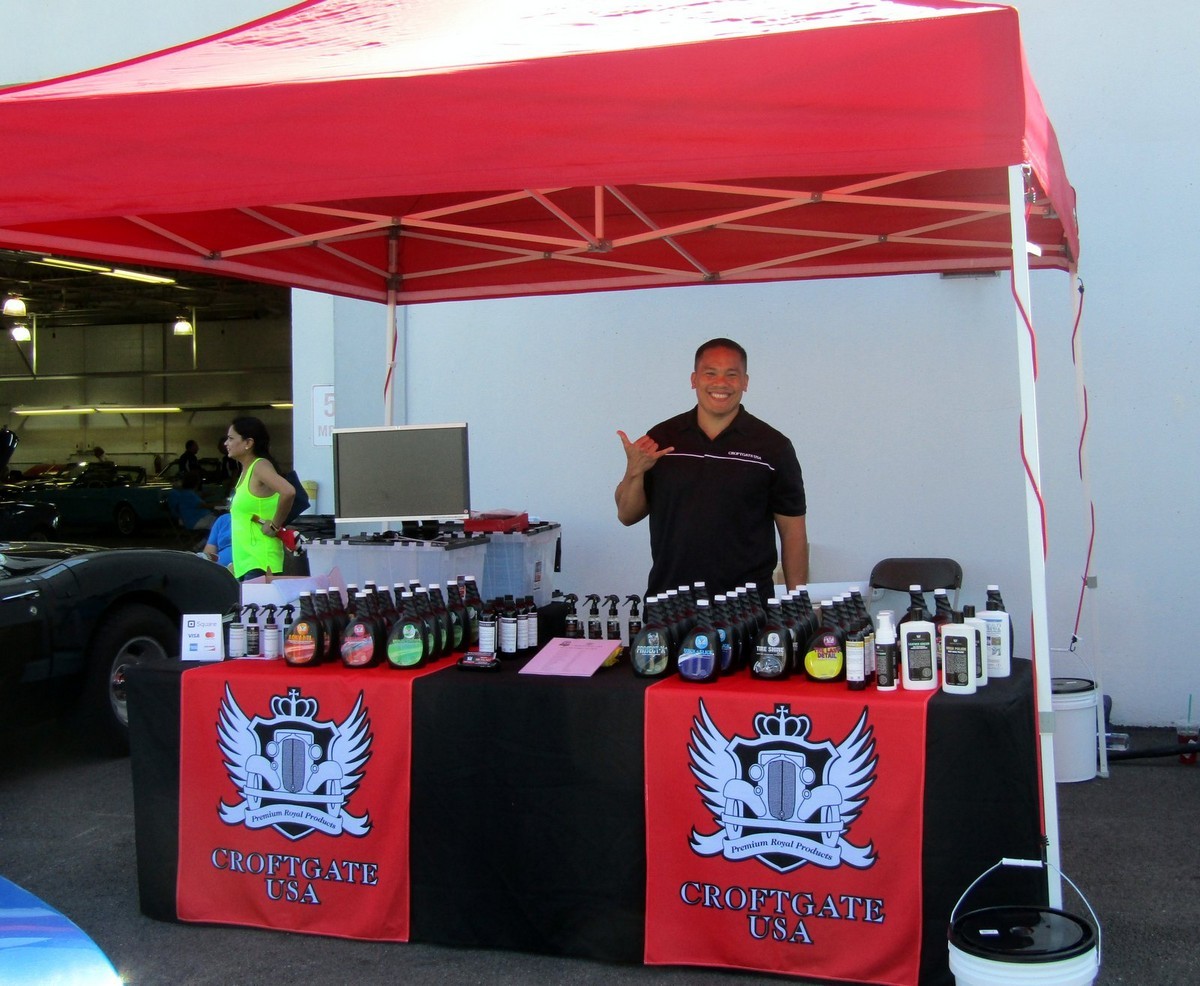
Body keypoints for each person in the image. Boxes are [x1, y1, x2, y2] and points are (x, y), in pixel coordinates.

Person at [615, 338, 808, 602]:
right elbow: (626, 515)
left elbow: (792, 531)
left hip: (747, 607)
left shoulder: (773, 447)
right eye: (710, 373)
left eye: (732, 374)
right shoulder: (662, 438)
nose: (721, 383)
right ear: (694, 379)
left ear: (745, 382)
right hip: (670, 603)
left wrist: (798, 604)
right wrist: (634, 472)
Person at [225, 415, 295, 581]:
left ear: (248, 443)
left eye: (231, 438)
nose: (226, 443)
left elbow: (288, 491)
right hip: (247, 563)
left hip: (260, 563)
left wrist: (275, 525)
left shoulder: (260, 466)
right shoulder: (246, 470)